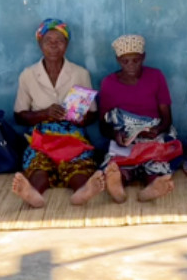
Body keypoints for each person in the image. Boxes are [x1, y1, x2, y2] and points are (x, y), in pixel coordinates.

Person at [10, 19, 105, 208]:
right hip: (42, 136)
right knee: (39, 166)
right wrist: (45, 114)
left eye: (59, 40)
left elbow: (93, 114)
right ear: (40, 44)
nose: (54, 45)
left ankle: (82, 191)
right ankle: (34, 193)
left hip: (73, 134)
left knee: (78, 166)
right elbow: (19, 116)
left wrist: (77, 117)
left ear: (67, 44)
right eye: (48, 40)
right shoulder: (28, 75)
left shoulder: (80, 73)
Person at [97, 34, 178, 203]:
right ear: (118, 60)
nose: (131, 66)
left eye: (136, 60)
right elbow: (103, 125)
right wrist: (115, 135)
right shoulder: (109, 83)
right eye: (125, 61)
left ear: (144, 57)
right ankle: (117, 186)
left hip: (153, 134)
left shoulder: (155, 76)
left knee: (156, 163)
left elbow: (167, 119)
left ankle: (150, 189)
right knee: (117, 166)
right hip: (126, 137)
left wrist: (157, 130)